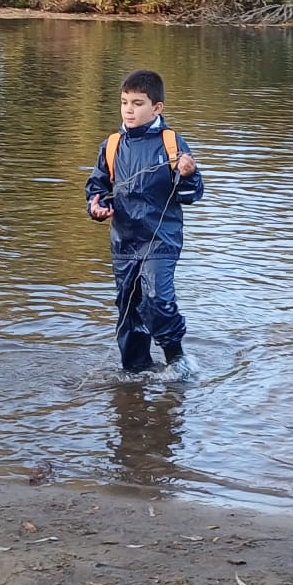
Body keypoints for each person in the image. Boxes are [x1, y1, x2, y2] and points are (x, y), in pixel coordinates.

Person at [85, 68, 204, 375]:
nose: (129, 109)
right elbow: (98, 188)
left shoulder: (171, 142)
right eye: (124, 102)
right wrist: (97, 208)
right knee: (128, 310)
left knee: (156, 298)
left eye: (138, 103)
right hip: (124, 243)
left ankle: (177, 360)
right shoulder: (112, 145)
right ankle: (135, 373)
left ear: (156, 108)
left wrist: (189, 174)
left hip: (161, 241)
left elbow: (191, 195)